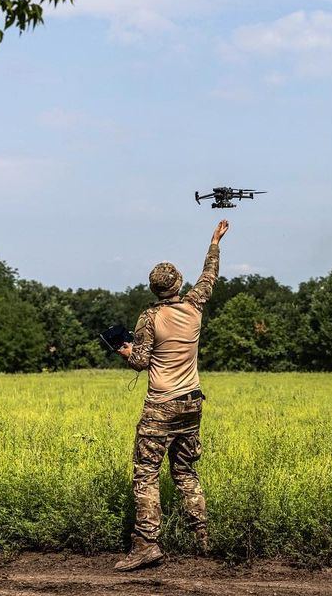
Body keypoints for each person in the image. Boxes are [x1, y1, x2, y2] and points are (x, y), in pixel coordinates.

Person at [113, 219, 229, 572]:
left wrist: (124, 351)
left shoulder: (149, 317)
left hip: (160, 406)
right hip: (192, 403)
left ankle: (146, 544)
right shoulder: (194, 307)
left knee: (146, 472)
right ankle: (203, 538)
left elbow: (141, 362)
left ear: (153, 289)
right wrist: (214, 241)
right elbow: (209, 277)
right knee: (185, 471)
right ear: (178, 284)